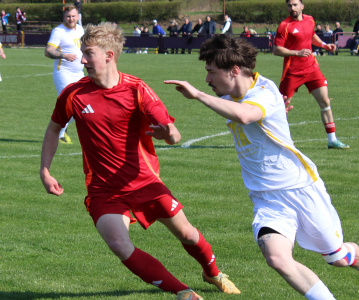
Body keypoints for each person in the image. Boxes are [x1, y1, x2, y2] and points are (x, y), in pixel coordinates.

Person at [165, 33, 359, 300]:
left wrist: (198, 95)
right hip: (267, 199)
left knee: (337, 257)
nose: (207, 80)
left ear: (234, 71)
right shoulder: (235, 96)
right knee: (277, 258)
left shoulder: (264, 91)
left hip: (300, 189)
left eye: (211, 72)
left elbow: (246, 115)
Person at [39, 21, 241, 300]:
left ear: (109, 56)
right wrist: (45, 170)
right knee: (120, 245)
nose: (83, 60)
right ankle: (183, 293)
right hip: (104, 190)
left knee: (188, 235)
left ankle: (213, 273)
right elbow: (53, 128)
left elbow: (175, 135)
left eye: (88, 53)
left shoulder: (137, 89)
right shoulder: (74, 93)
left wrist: (167, 134)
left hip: (144, 182)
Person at [274, 0, 349, 149]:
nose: (292, 8)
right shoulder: (285, 26)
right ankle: (272, 139)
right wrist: (297, 52)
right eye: (289, 5)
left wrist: (323, 45)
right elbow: (276, 49)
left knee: (325, 102)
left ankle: (332, 140)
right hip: (292, 72)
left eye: (295, 5)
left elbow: (311, 35)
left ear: (302, 6)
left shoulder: (310, 20)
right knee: (280, 108)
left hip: (312, 69)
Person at [45, 5, 84, 144]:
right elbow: (48, 51)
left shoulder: (80, 29)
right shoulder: (58, 31)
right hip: (64, 72)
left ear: (77, 16)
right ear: (64, 17)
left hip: (79, 73)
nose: (71, 19)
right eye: (68, 16)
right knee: (69, 104)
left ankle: (62, 127)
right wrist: (64, 55)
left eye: (73, 16)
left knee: (82, 105)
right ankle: (60, 133)